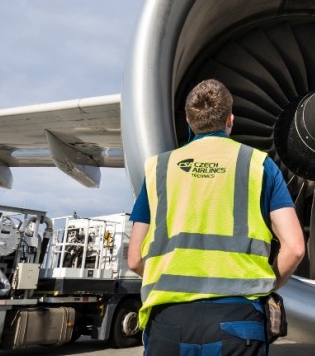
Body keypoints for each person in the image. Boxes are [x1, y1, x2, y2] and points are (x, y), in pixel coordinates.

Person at [127, 78, 305, 355]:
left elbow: (135, 258)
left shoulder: (158, 169)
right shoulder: (258, 165)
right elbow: (294, 248)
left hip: (168, 321)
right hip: (239, 320)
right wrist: (265, 284)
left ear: (188, 119)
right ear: (230, 119)